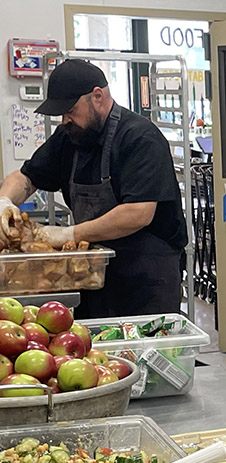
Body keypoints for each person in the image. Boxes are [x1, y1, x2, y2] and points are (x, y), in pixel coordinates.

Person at [0, 59, 188, 317]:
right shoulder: (70, 136)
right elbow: (26, 177)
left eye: (71, 110)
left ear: (97, 96)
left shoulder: (141, 138)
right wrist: (5, 202)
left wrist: (69, 234)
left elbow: (138, 213)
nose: (65, 119)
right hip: (92, 275)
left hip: (145, 279)